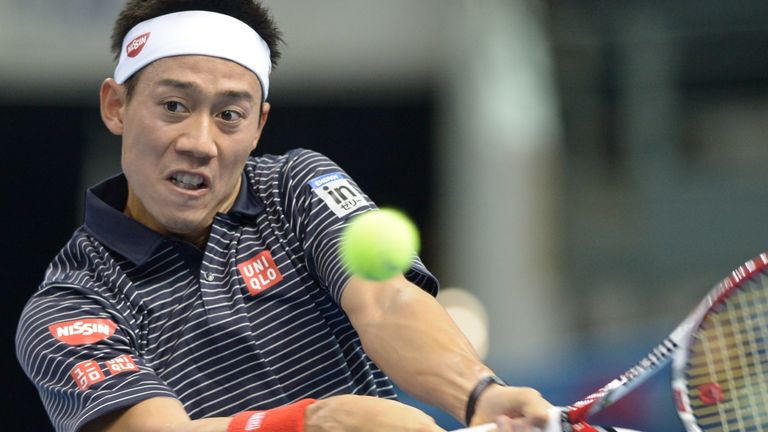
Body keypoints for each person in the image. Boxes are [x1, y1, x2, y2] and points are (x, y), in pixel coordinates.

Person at [15, 1, 554, 431]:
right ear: (116, 106)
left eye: (230, 115)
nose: (199, 142)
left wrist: (480, 394)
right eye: (173, 106)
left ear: (258, 127)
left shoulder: (299, 187)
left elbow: (386, 300)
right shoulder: (71, 304)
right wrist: (313, 422)